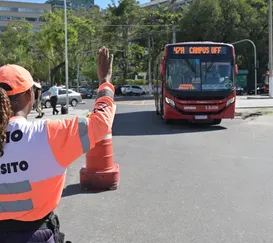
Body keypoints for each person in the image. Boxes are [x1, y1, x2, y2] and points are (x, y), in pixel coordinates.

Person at [0, 47, 115, 243]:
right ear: (30, 95)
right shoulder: (48, 135)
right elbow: (101, 122)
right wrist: (105, 82)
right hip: (37, 235)